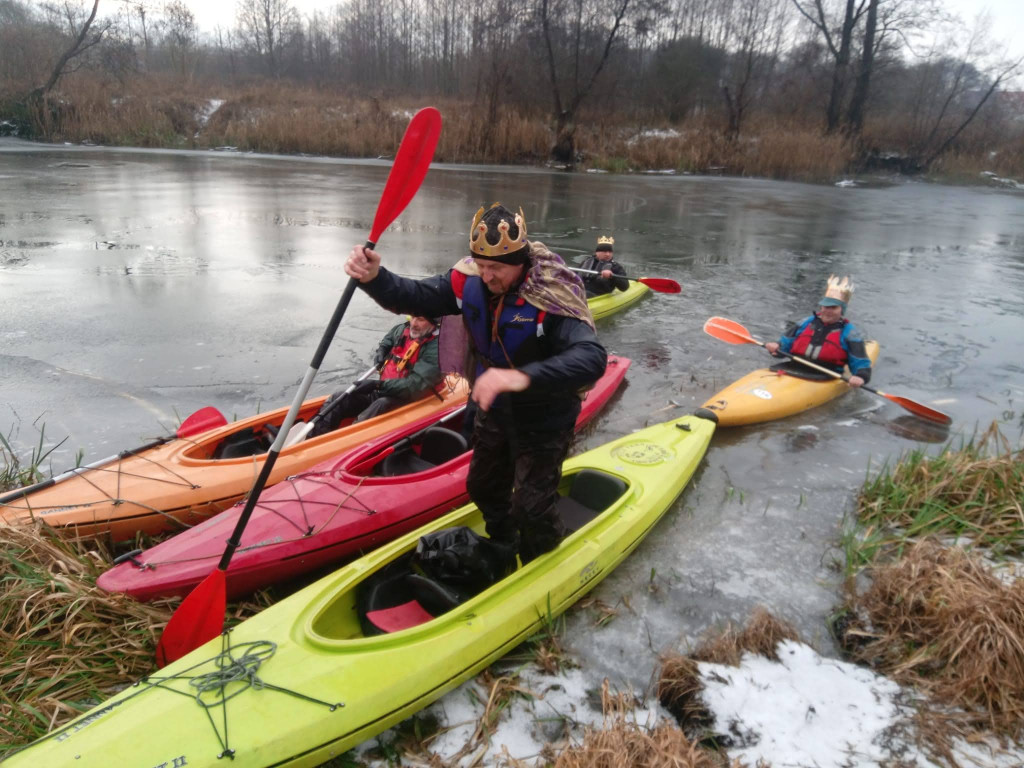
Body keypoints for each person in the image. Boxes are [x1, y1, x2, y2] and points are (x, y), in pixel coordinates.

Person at [344, 202, 607, 563]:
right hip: (493, 408)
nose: (486, 276)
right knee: (481, 486)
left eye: (496, 267)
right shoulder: (467, 280)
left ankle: (541, 555)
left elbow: (592, 358)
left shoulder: (550, 293)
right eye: (482, 266)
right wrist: (375, 278)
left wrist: (519, 377)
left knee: (531, 507)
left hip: (545, 415)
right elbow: (415, 296)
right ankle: (503, 541)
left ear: (521, 260)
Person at [308, 315, 442, 437]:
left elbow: (415, 385)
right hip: (386, 390)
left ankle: (347, 441)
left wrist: (377, 385)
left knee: (380, 405)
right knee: (340, 397)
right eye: (412, 316)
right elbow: (387, 341)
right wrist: (381, 351)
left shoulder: (438, 347)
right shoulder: (402, 329)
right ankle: (311, 438)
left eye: (421, 319)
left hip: (411, 400)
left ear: (433, 322)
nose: (413, 323)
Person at [764, 275, 872, 387]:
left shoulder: (850, 333)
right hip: (793, 367)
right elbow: (783, 347)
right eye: (825, 306)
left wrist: (860, 376)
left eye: (833, 307)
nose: (828, 311)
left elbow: (861, 363)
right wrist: (776, 347)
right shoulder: (805, 323)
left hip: (826, 375)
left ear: (842, 310)